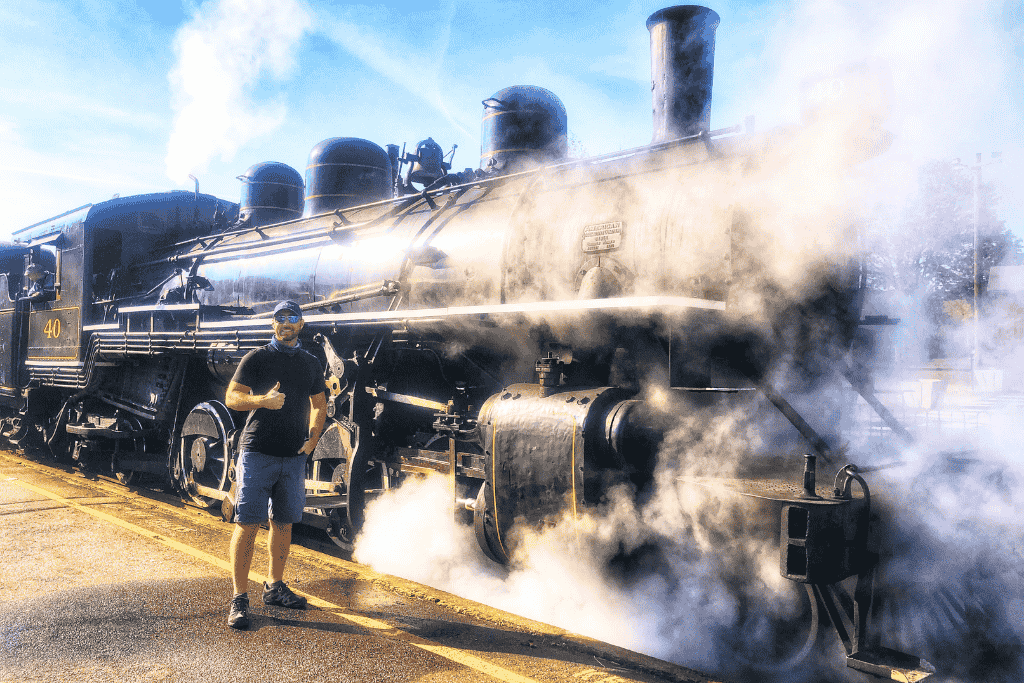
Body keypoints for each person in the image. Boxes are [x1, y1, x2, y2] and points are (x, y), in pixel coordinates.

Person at [224, 300, 327, 629]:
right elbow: (232, 397)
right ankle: (240, 598)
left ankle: (274, 586)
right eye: (280, 318)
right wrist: (262, 401)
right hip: (257, 452)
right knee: (248, 523)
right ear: (273, 324)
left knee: (284, 523)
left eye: (292, 318)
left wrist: (312, 439)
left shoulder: (311, 363)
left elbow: (319, 404)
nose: (286, 323)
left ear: (301, 324)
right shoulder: (256, 358)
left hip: (293, 456)